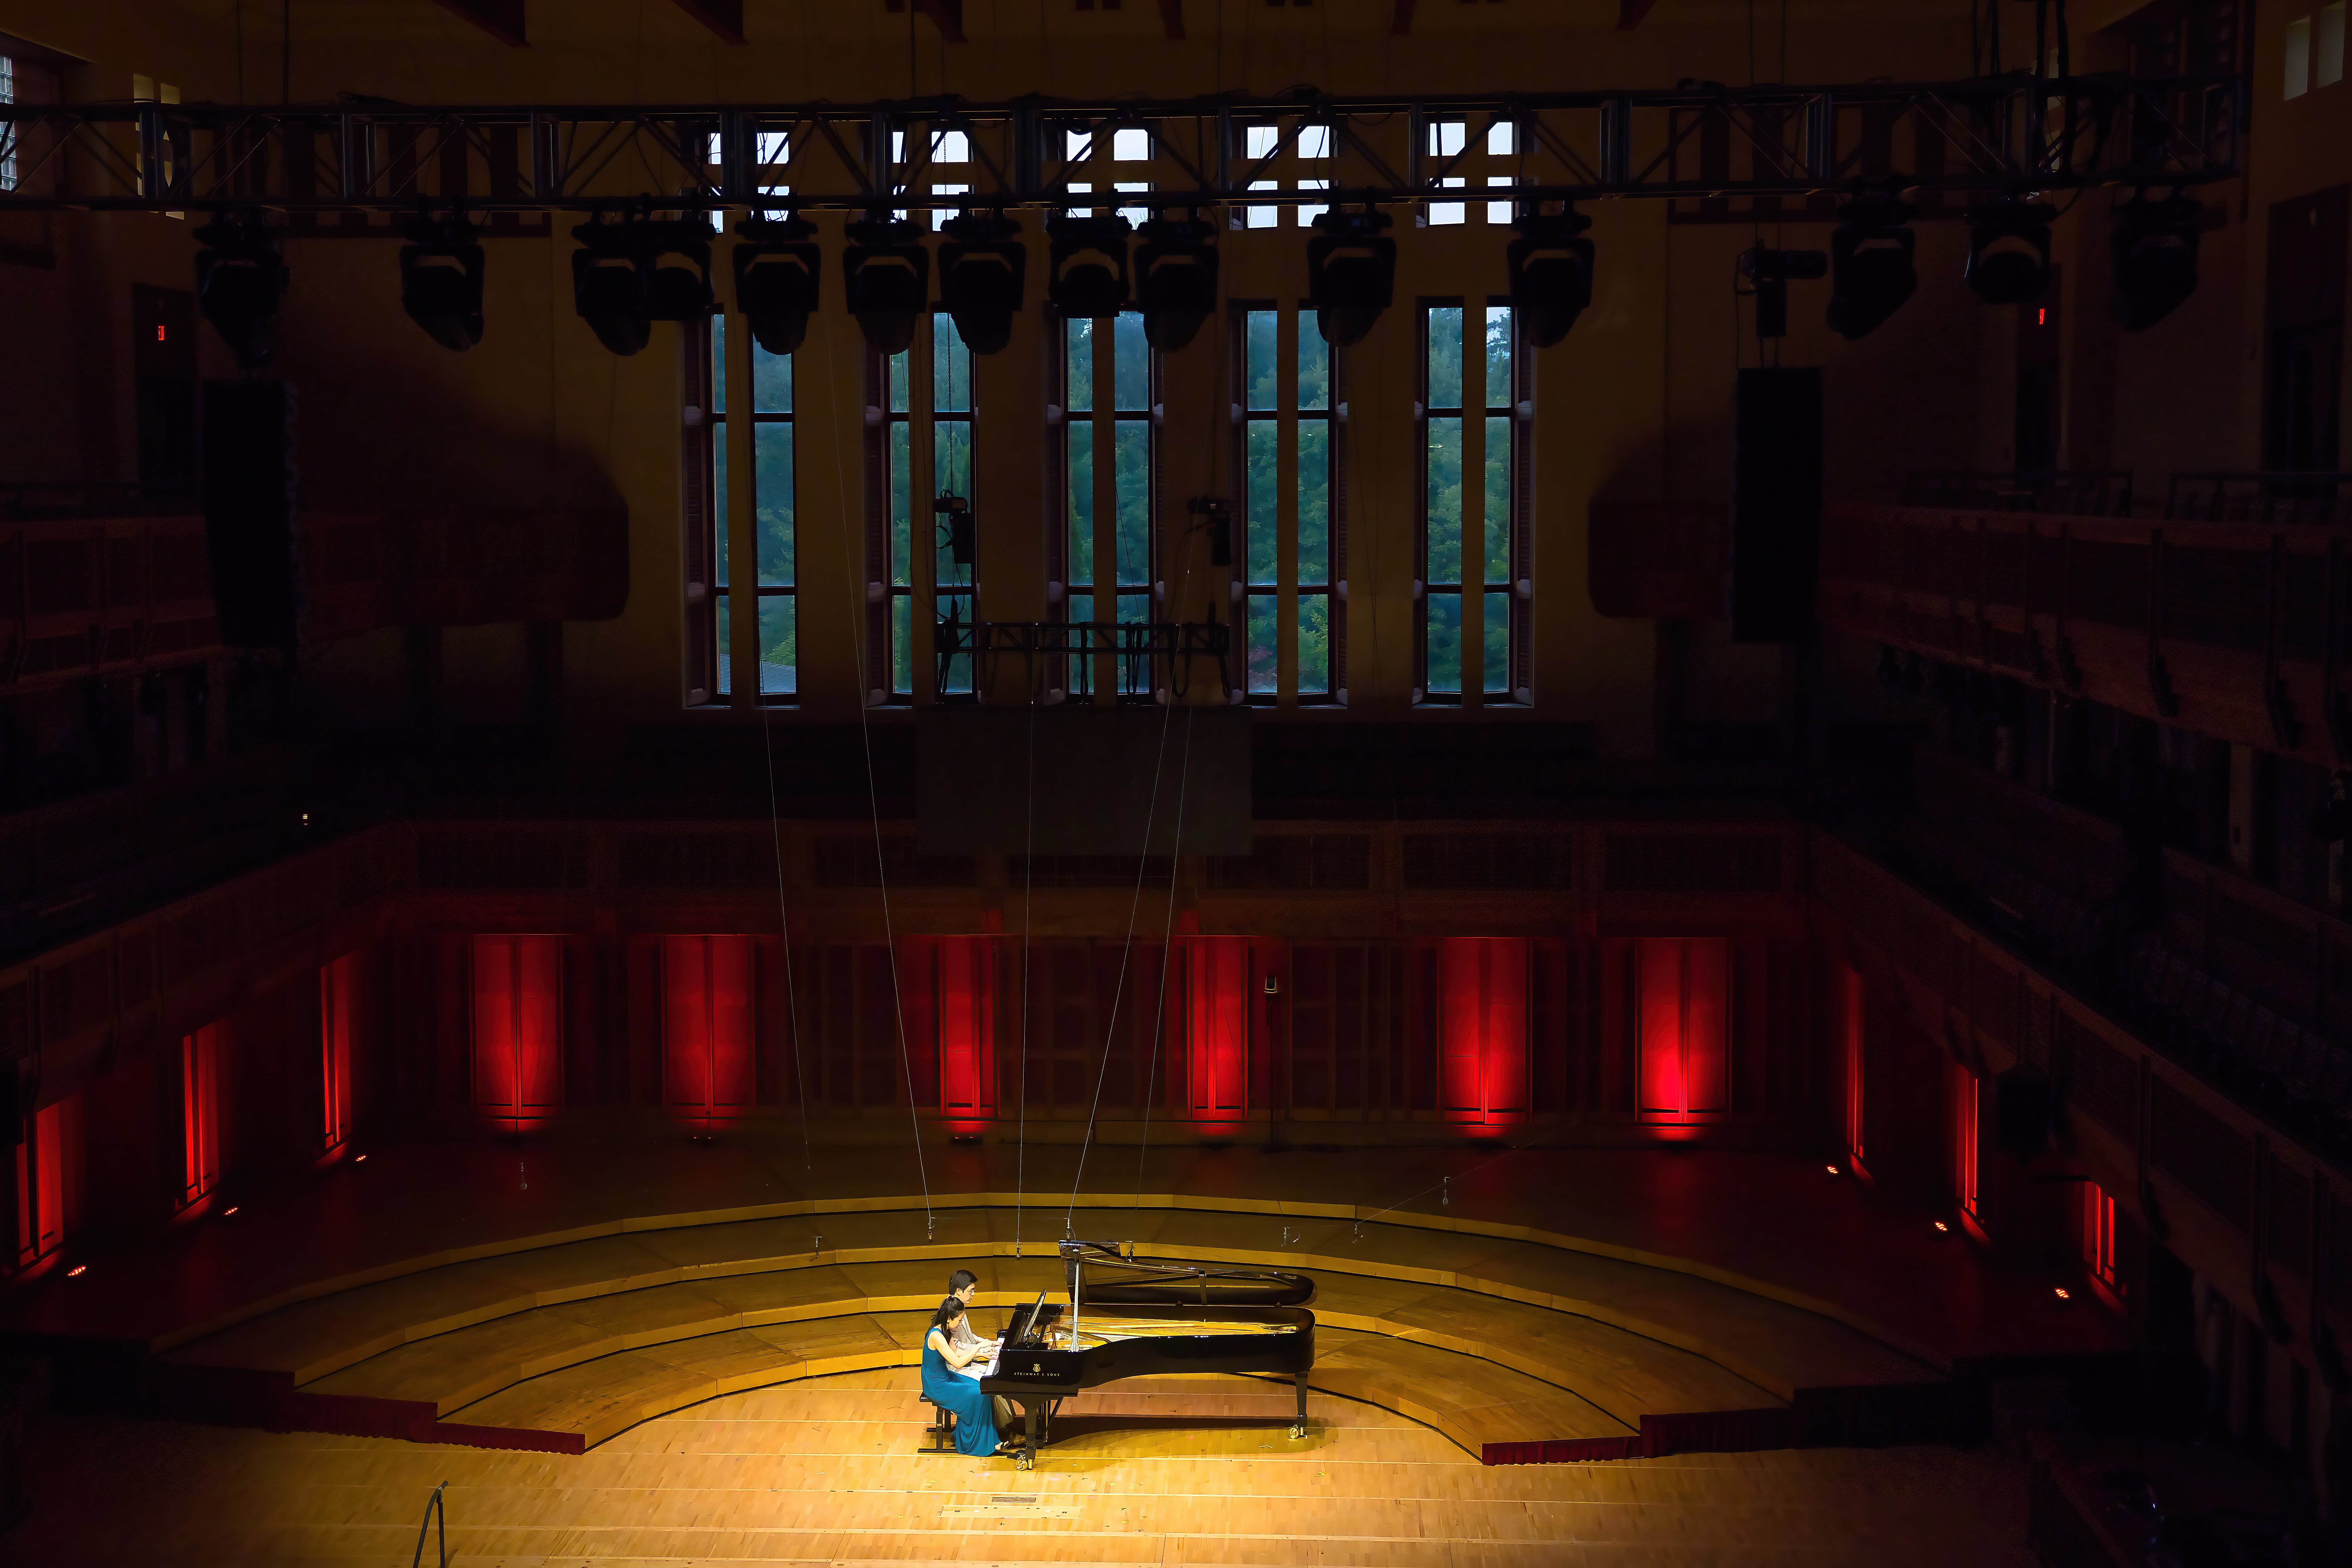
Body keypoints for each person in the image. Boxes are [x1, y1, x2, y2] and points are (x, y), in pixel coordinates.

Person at [921, 1296, 1008, 1457]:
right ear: (949, 1319)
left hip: (945, 1377)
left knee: (984, 1389)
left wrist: (985, 1353)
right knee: (978, 1395)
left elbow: (956, 1352)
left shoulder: (946, 1331)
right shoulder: (937, 1336)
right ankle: (972, 1444)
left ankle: (990, 1440)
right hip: (936, 1384)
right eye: (959, 1320)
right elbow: (958, 1363)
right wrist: (978, 1348)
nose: (961, 1323)